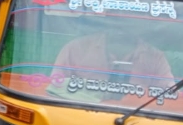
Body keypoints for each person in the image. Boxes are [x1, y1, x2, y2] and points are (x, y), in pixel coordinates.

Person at [47, 29, 176, 102]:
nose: (122, 23)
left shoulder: (155, 57)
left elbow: (170, 96)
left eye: (128, 15)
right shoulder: (76, 48)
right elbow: (55, 88)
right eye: (118, 16)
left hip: (135, 123)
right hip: (79, 117)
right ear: (109, 15)